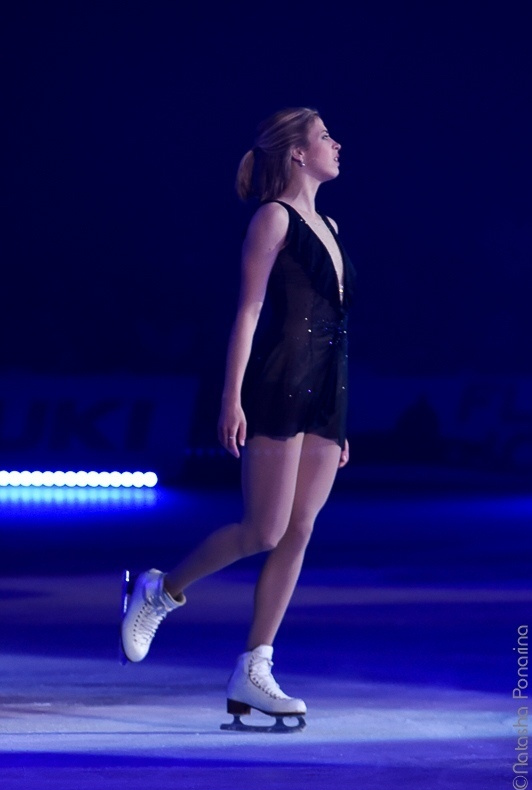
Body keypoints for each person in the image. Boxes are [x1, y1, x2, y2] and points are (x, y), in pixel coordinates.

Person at [120, 107, 355, 730]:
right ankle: (159, 589)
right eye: (325, 135)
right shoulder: (272, 219)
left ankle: (254, 667)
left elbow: (332, 327)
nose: (337, 143)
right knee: (264, 530)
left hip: (327, 396)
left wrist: (337, 419)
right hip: (278, 386)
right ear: (299, 154)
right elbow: (249, 312)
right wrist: (231, 398)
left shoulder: (329, 222)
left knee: (300, 530)